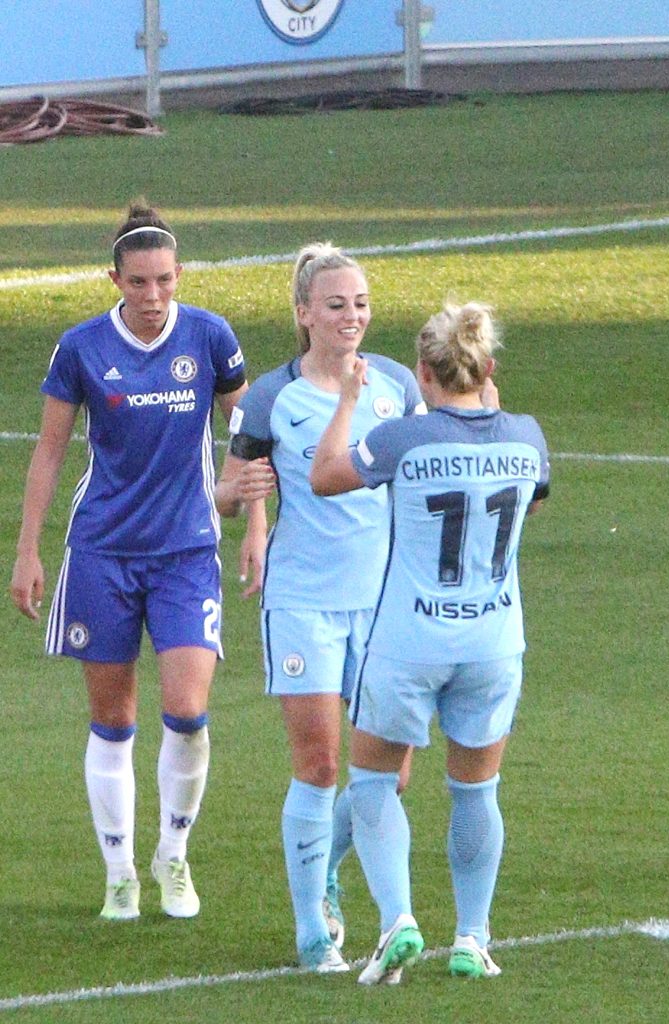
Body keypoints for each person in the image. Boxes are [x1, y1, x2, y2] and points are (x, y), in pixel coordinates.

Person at [10, 201, 268, 922]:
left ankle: (173, 857)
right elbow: (51, 450)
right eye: (138, 283)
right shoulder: (81, 348)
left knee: (187, 712)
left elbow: (248, 438)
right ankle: (120, 871)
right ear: (114, 279)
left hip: (186, 552)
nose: (153, 298)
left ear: (179, 274)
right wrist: (29, 549)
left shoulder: (209, 337)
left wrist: (254, 528)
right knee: (113, 720)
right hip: (102, 553)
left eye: (163, 281)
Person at [310, 299, 549, 984]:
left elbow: (325, 475)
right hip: (494, 641)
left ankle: (397, 920)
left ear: (422, 372)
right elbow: (531, 497)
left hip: (409, 642)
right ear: (488, 368)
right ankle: (472, 938)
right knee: (476, 792)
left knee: (375, 784)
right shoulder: (526, 435)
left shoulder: (402, 440)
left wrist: (349, 403)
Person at [215, 242, 425, 972]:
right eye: (335, 305)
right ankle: (312, 931)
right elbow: (223, 487)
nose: (351, 316)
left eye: (360, 303)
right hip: (303, 602)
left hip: (383, 608)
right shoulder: (272, 398)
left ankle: (326, 869)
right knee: (319, 762)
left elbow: (426, 476)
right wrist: (237, 498)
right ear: (304, 314)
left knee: (389, 776)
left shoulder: (396, 385)